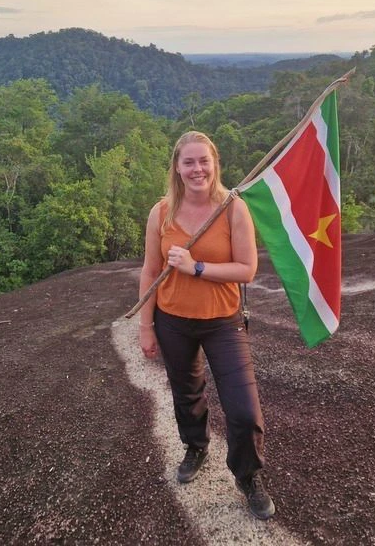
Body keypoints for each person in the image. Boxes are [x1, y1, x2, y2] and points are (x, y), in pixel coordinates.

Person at [137, 130, 275, 520]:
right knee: (187, 393)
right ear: (177, 168)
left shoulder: (233, 208)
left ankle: (248, 476)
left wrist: (196, 267)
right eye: (188, 162)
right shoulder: (160, 212)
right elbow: (149, 271)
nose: (197, 169)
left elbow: (246, 269)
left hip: (222, 322)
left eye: (204, 161)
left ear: (214, 163)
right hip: (173, 321)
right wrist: (146, 326)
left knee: (244, 409)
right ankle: (195, 447)